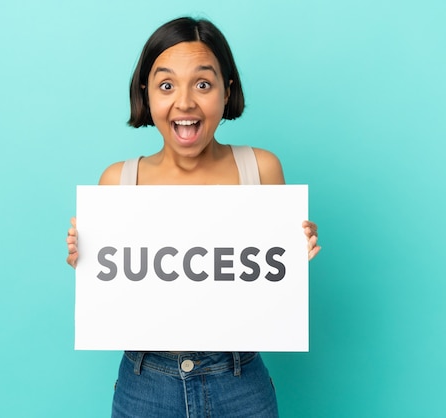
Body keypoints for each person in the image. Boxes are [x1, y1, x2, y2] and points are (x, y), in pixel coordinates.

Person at [65, 16, 321, 418]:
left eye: (203, 84)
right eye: (167, 85)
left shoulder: (262, 169)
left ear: (226, 91)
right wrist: (87, 258)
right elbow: (115, 295)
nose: (185, 102)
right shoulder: (118, 181)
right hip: (145, 384)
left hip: (239, 381)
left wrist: (295, 250)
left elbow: (272, 283)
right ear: (146, 93)